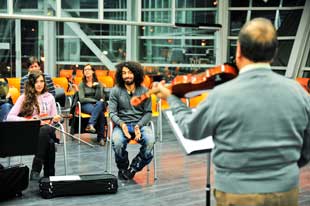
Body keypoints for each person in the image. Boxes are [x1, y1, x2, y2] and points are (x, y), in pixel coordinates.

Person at [153, 18, 310, 206]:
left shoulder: (222, 94)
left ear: (238, 51)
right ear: (274, 53)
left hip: (237, 193)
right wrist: (284, 170)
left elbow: (191, 130)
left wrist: (171, 98)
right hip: (285, 191)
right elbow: (307, 148)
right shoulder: (299, 93)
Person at [7, 70, 61, 180]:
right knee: (49, 143)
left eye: (42, 81)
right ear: (32, 83)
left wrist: (55, 120)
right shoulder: (24, 97)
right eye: (36, 82)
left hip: (48, 128)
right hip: (31, 131)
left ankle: (36, 169)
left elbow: (54, 119)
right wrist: (28, 120)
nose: (40, 84)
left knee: (45, 129)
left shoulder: (50, 97)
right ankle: (49, 176)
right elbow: (9, 117)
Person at [109, 61, 155, 180]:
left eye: (129, 73)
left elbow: (148, 113)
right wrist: (122, 124)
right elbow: (112, 113)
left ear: (136, 74)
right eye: (124, 73)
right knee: (117, 142)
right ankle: (123, 167)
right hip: (122, 125)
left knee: (150, 141)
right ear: (120, 75)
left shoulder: (144, 91)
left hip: (140, 125)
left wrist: (138, 125)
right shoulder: (115, 91)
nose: (127, 76)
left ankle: (133, 168)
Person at [78, 64, 107, 146]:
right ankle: (100, 137)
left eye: (88, 69)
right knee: (100, 111)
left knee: (100, 108)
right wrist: (95, 100)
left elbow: (100, 97)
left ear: (93, 71)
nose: (86, 71)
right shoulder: (81, 84)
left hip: (97, 105)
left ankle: (91, 124)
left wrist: (98, 86)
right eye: (85, 70)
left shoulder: (98, 84)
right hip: (85, 105)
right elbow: (82, 99)